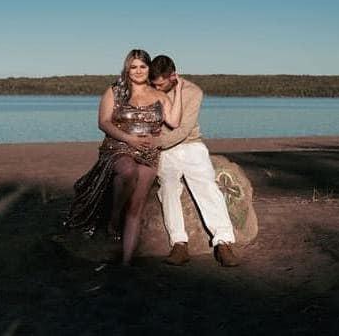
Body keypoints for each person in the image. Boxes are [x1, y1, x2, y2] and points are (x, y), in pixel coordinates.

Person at [65, 49, 183, 266]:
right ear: (127, 69)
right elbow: (103, 122)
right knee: (128, 171)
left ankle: (126, 262)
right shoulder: (115, 91)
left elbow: (174, 122)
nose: (138, 71)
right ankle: (114, 218)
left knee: (136, 207)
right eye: (133, 67)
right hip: (118, 146)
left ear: (149, 68)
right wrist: (130, 139)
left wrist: (180, 88)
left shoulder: (159, 96)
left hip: (148, 153)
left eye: (142, 66)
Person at [150, 55, 239, 267]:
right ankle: (179, 244)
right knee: (168, 187)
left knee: (206, 186)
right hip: (165, 151)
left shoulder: (193, 92)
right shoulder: (150, 90)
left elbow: (183, 130)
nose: (157, 88)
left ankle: (223, 242)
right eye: (154, 84)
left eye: (161, 84)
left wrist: (154, 143)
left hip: (190, 144)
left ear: (173, 76)